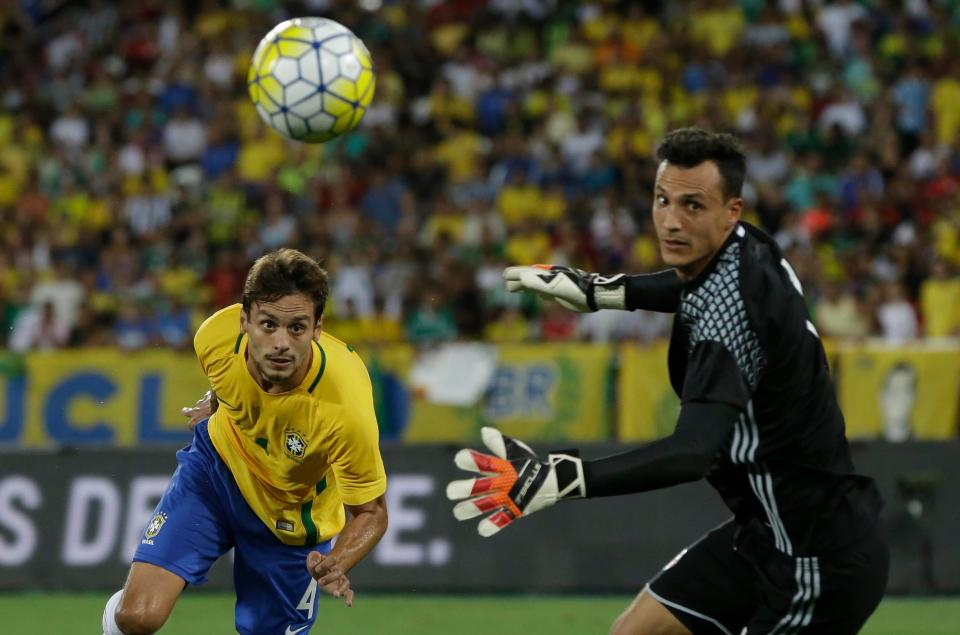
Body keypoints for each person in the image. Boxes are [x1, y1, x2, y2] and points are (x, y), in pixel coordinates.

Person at [448, 128, 887, 634]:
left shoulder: (730, 324)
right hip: (763, 536)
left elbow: (692, 451)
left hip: (817, 560)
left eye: (693, 206)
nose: (671, 222)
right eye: (663, 200)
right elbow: (689, 287)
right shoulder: (751, 249)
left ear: (732, 211)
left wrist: (562, 479)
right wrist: (600, 292)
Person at [102, 248, 388, 635]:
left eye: (297, 328)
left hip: (291, 526)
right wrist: (217, 402)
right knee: (137, 617)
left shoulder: (345, 409)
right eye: (268, 325)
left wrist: (337, 561)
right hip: (216, 474)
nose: (281, 342)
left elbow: (372, 513)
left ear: (318, 328)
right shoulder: (213, 339)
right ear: (244, 321)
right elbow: (228, 381)